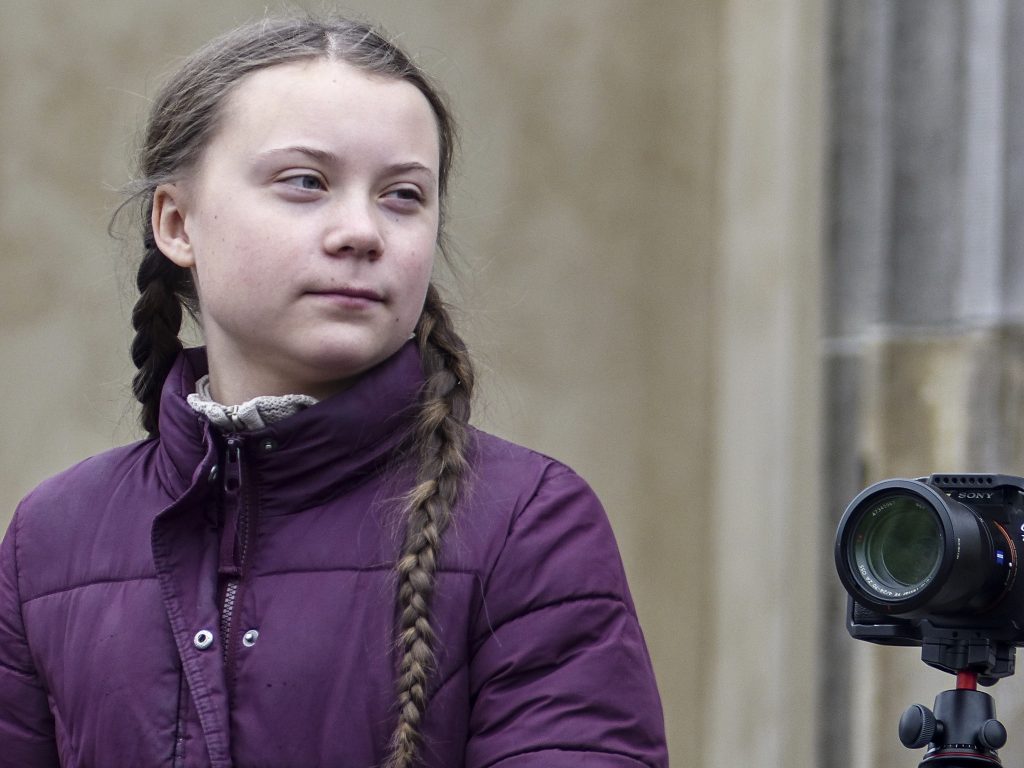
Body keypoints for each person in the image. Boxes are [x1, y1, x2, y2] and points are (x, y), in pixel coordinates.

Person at [0, 14, 667, 768]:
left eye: (403, 196)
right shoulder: (49, 544)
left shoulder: (529, 524)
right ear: (177, 222)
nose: (361, 231)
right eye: (306, 183)